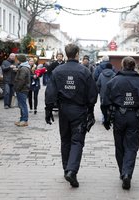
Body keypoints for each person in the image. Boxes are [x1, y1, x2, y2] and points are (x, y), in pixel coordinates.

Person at [45, 44, 98, 188]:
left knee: (65, 140)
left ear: (66, 54)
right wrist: (91, 110)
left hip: (63, 110)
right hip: (79, 109)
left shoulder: (58, 71)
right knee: (77, 141)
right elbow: (92, 92)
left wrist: (48, 109)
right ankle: (71, 170)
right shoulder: (84, 71)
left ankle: (66, 168)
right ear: (77, 54)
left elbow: (50, 91)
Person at [102, 56, 139, 190]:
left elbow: (105, 100)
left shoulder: (114, 81)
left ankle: (123, 171)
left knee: (119, 146)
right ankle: (127, 172)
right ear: (133, 66)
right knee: (131, 147)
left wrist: (106, 118)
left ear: (122, 66)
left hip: (118, 117)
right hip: (134, 116)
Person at [14, 54, 31, 127]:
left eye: (17, 59)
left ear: (20, 60)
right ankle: (22, 119)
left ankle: (24, 120)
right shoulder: (23, 67)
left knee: (23, 105)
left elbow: (21, 80)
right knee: (21, 105)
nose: (16, 60)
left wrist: (17, 88)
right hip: (23, 89)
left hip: (22, 89)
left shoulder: (23, 68)